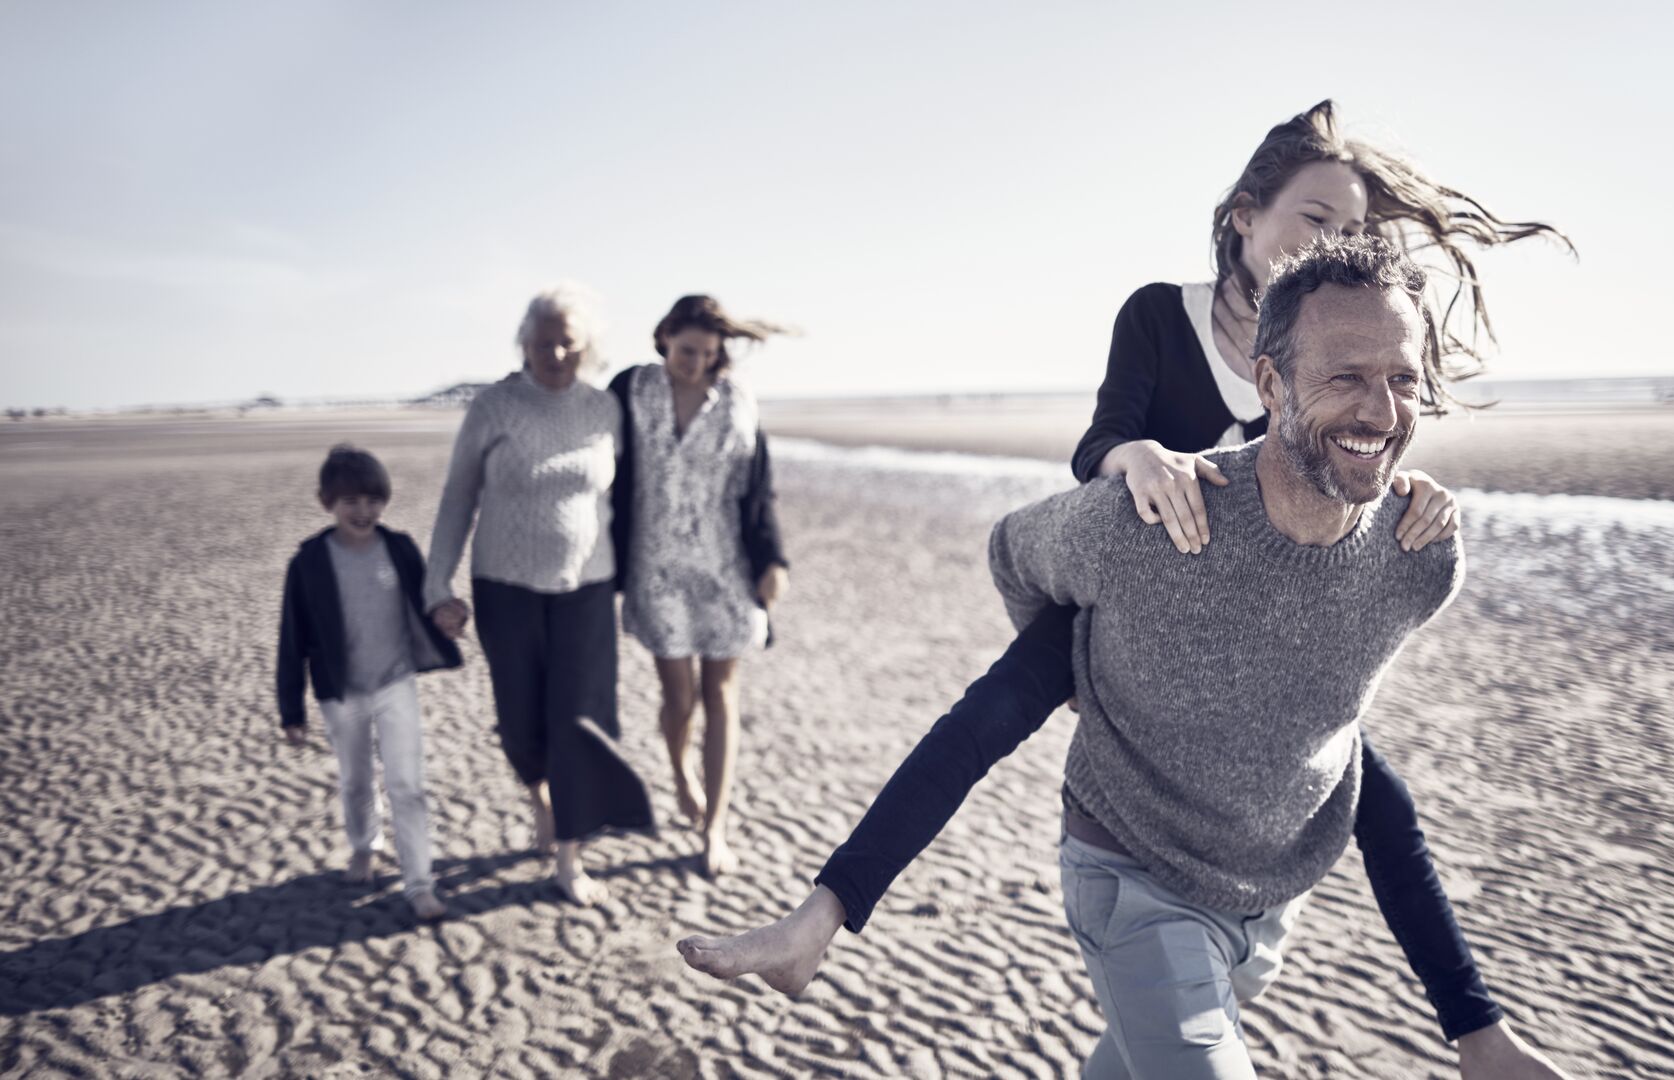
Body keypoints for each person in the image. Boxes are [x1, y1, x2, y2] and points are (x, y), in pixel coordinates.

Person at [677, 99, 1573, 1066]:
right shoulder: (1168, 321)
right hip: (1149, 554)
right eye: (1316, 222)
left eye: (1352, 229)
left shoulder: (1369, 396)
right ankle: (825, 912)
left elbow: (1365, 432)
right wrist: (1116, 579)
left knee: (1354, 769)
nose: (1336, 242)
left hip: (1275, 682)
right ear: (1245, 216)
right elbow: (1091, 454)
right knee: (991, 712)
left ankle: (1475, 1032)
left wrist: (1390, 484)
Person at [423, 284, 654, 907]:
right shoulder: (493, 408)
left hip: (588, 590)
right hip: (504, 588)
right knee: (523, 723)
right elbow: (456, 499)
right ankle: (541, 797)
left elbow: (632, 500)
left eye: (567, 341)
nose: (554, 351)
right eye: (542, 340)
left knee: (579, 723)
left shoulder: (605, 411)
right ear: (523, 342)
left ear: (588, 346)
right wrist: (436, 583)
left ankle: (569, 856)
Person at [609, 295, 789, 878]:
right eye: (688, 351)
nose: (697, 363)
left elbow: (757, 485)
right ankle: (680, 770)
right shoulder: (630, 390)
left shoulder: (736, 398)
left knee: (722, 696)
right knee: (679, 699)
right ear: (663, 338)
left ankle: (715, 826)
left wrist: (773, 559)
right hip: (654, 567)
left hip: (726, 567)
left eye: (709, 354)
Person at [276, 445, 461, 921]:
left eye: (373, 500)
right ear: (326, 502)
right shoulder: (309, 562)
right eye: (350, 501)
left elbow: (428, 601)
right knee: (357, 779)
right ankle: (365, 844)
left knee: (408, 785)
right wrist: (291, 713)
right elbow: (291, 639)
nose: (363, 511)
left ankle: (420, 883)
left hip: (396, 683)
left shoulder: (397, 547)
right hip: (341, 692)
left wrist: (447, 616)